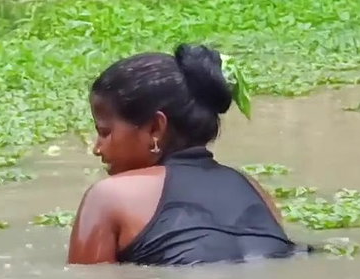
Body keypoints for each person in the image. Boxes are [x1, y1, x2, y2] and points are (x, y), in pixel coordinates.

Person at [67, 43, 311, 266]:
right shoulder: (254, 189)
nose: (97, 148)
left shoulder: (109, 197)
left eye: (105, 132)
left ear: (155, 127)